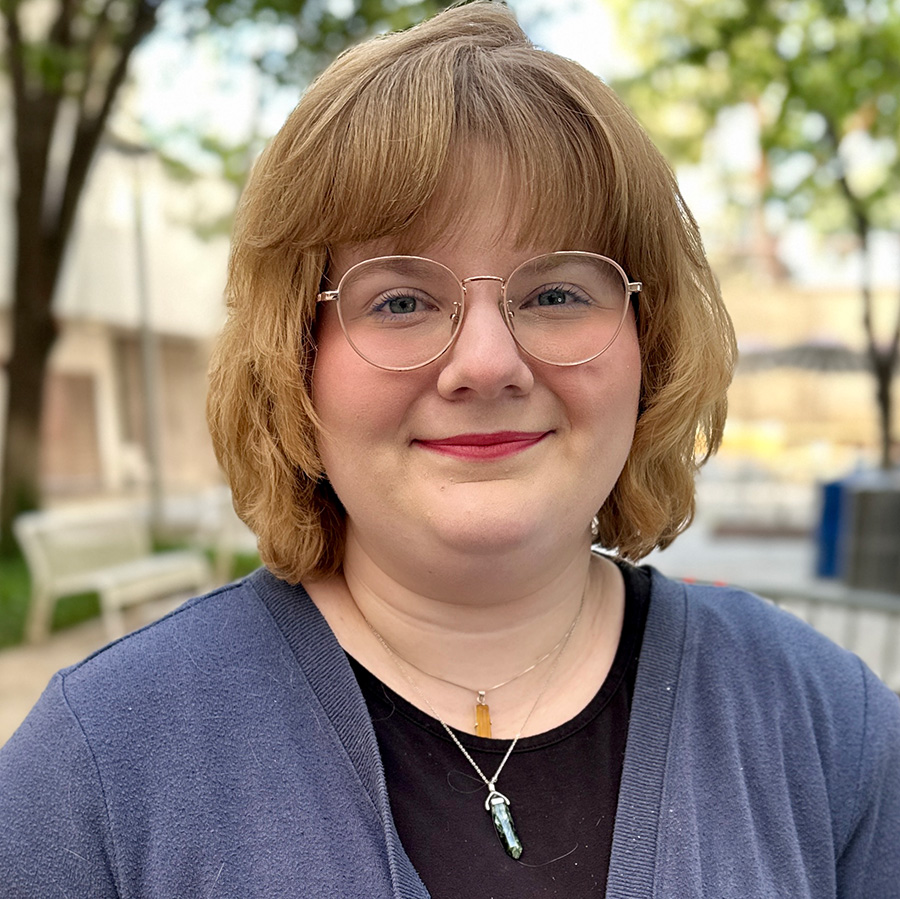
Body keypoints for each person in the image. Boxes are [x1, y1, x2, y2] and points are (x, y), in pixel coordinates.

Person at [1, 2, 898, 896]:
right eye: (399, 301)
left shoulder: (831, 729)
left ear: (648, 343)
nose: (486, 364)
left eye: (555, 293)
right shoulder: (100, 770)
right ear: (295, 361)